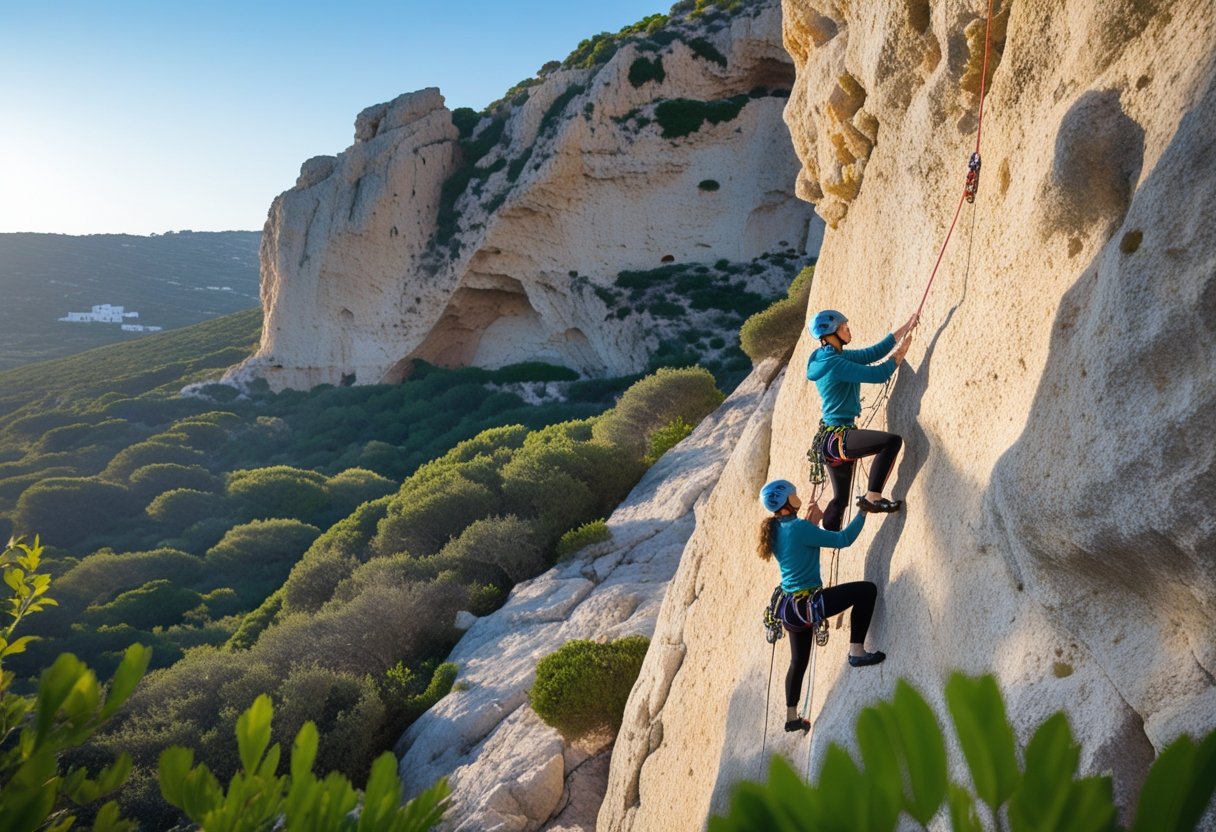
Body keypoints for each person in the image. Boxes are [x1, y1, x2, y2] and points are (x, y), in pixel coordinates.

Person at [758, 478, 886, 733]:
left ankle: (792, 717)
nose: (797, 497)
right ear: (786, 502)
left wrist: (812, 522)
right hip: (810, 604)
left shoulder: (775, 529)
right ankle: (857, 652)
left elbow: (798, 546)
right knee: (866, 591)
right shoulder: (800, 527)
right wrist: (863, 512)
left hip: (790, 610)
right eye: (793, 495)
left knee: (798, 662)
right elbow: (843, 540)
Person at [807, 309, 918, 530]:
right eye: (844, 327)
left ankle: (827, 538)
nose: (849, 330)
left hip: (830, 441)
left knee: (840, 501)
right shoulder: (834, 363)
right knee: (891, 442)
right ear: (831, 333)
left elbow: (870, 354)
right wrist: (899, 355)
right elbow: (877, 375)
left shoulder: (831, 356)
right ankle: (873, 497)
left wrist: (906, 327)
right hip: (838, 437)